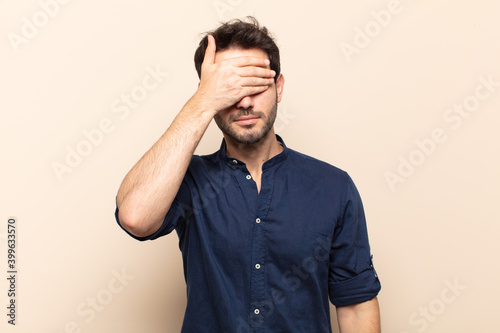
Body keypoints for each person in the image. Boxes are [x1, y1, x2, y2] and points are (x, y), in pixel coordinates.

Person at [115, 17, 381, 333]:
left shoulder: (333, 187)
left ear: (279, 88)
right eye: (229, 89)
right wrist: (203, 101)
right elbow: (135, 217)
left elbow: (355, 303)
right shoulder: (189, 181)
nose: (244, 102)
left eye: (255, 86)